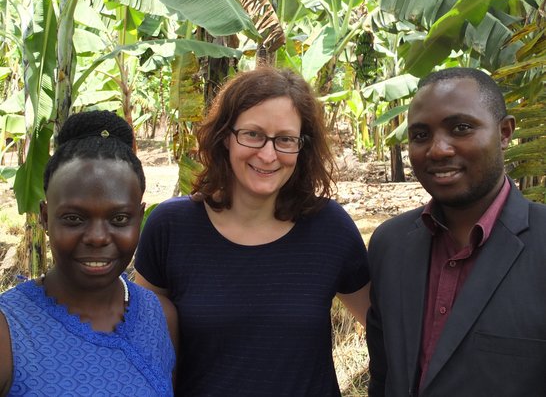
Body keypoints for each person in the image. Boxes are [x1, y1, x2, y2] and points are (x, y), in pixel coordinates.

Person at [134, 66, 370, 396]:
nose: (269, 154)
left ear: (303, 147)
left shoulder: (329, 228)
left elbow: (384, 331)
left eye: (285, 139)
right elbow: (138, 339)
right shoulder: (172, 227)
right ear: (225, 136)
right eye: (253, 135)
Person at [366, 67, 546, 396]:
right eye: (420, 135)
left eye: (461, 128)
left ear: (505, 133)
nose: (438, 149)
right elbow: (383, 376)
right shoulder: (389, 245)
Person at [0, 110, 178, 396]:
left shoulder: (161, 317)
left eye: (119, 219)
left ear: (139, 217)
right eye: (74, 218)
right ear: (45, 217)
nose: (97, 237)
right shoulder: (9, 329)